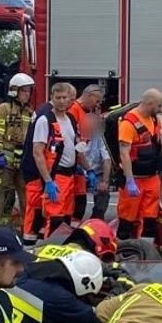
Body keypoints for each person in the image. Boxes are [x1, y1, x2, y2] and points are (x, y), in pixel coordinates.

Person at [21, 82, 85, 244]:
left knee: (66, 216)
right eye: (58, 98)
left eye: (65, 98)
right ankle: (44, 249)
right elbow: (38, 152)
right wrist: (48, 181)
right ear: (52, 98)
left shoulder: (70, 118)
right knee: (54, 216)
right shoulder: (45, 120)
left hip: (69, 175)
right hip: (56, 176)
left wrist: (86, 169)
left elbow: (75, 145)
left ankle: (59, 248)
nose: (62, 101)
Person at [117, 88, 162, 241]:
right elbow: (124, 153)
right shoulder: (128, 123)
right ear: (149, 103)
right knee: (127, 220)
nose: (161, 109)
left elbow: (159, 138)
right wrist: (129, 180)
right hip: (134, 179)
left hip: (151, 178)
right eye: (159, 106)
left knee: (150, 219)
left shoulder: (154, 118)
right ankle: (124, 250)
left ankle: (146, 252)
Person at [0, 73, 36, 230]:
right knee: (5, 198)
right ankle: (0, 230)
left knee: (26, 198)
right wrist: (0, 154)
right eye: (24, 91)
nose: (27, 94)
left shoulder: (29, 113)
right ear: (14, 91)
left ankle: (24, 231)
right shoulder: (4, 108)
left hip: (20, 164)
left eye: (29, 91)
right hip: (2, 164)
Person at [67, 84, 106, 225]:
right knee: (71, 205)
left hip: (77, 163)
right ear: (90, 95)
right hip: (71, 163)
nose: (97, 105)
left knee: (79, 203)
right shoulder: (73, 111)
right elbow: (72, 142)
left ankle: (72, 231)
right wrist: (87, 168)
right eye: (97, 101)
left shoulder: (81, 112)